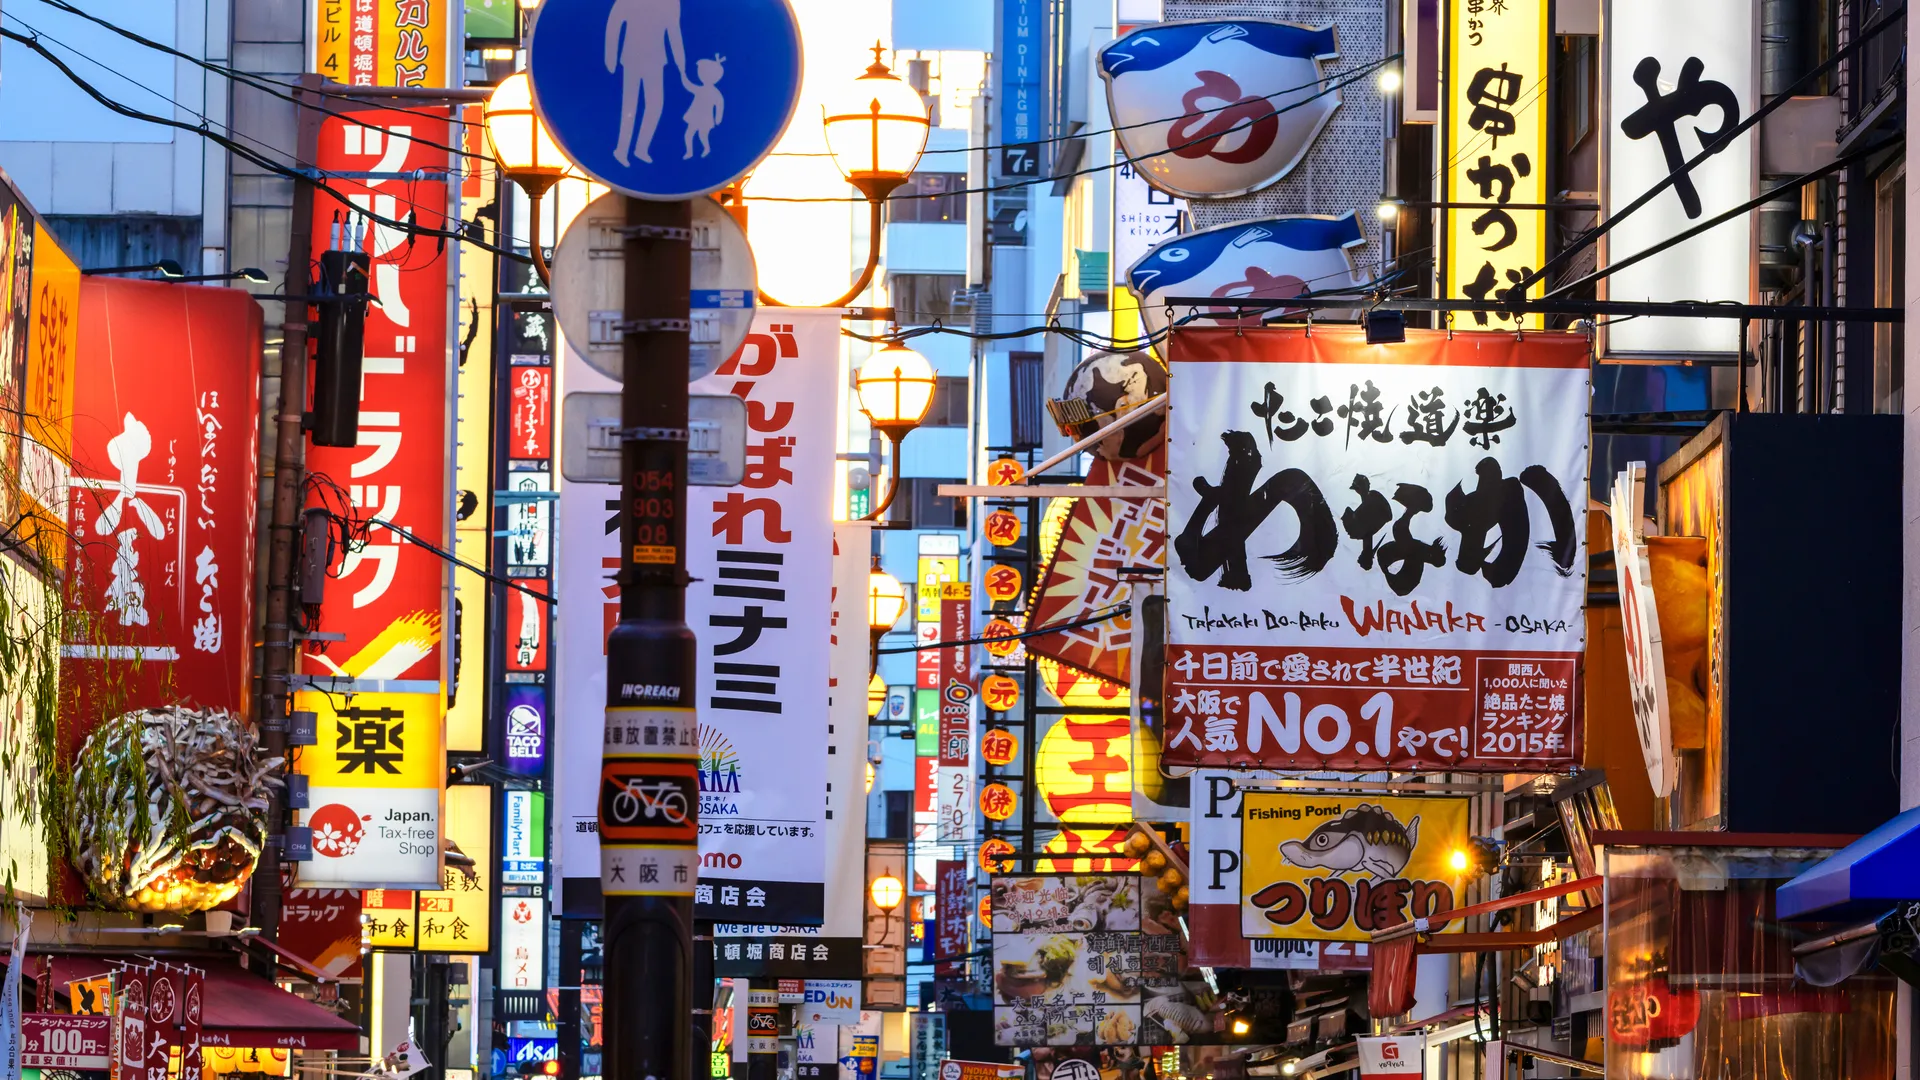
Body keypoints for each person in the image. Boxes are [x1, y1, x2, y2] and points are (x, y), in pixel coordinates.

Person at [604, 0, 695, 166]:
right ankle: (621, 150)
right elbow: (614, 23)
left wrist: (681, 63)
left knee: (655, 104)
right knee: (630, 107)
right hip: (632, 58)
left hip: (656, 60)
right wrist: (610, 57)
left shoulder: (671, 3)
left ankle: (641, 148)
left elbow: (674, 32)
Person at [682, 56, 725, 159]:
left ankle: (706, 148)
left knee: (702, 135)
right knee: (688, 134)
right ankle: (689, 152)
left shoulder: (715, 93)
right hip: (695, 116)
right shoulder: (701, 89)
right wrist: (683, 76)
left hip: (705, 119)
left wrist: (718, 118)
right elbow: (689, 86)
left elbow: (719, 105)